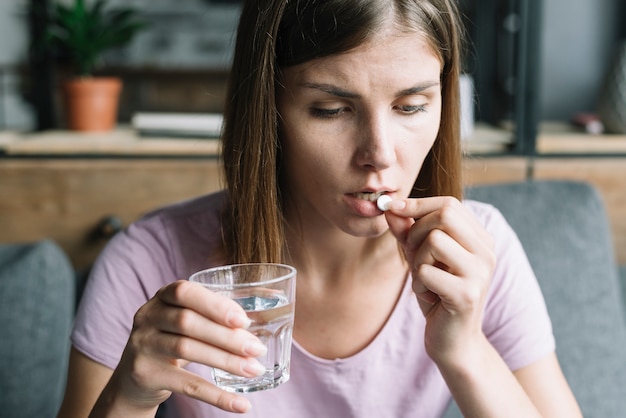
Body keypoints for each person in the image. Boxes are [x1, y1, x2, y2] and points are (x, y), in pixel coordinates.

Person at [58, 0, 583, 417]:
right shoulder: (149, 258)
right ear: (269, 112)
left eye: (412, 106)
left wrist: (465, 349)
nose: (379, 152)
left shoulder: (477, 251)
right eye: (330, 110)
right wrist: (127, 399)